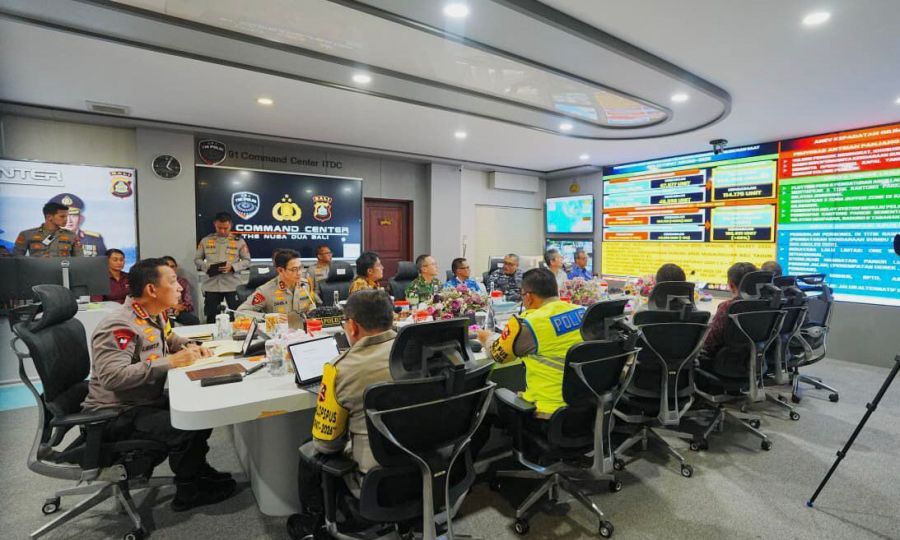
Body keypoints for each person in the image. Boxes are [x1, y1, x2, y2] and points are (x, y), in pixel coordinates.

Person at [81, 258, 237, 511]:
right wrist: (171, 362)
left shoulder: (153, 314)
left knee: (200, 411)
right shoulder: (120, 324)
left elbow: (169, 338)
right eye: (173, 281)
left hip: (142, 401)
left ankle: (198, 470)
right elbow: (113, 377)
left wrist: (190, 346)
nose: (180, 288)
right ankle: (188, 490)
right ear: (151, 290)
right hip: (115, 413)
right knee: (184, 426)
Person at [286, 290, 397, 539]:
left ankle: (314, 525)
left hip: (377, 483)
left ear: (353, 327)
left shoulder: (340, 369)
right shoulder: (418, 351)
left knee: (309, 448)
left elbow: (325, 445)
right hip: (432, 465)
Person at [477, 268, 585, 416]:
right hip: (585, 403)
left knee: (483, 402)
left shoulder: (527, 324)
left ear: (528, 296)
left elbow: (498, 355)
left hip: (548, 410)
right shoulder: (581, 312)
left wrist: (486, 337)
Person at [237, 249, 317, 328]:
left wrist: (313, 313)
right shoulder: (266, 290)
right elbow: (240, 312)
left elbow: (311, 306)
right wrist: (265, 317)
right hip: (279, 335)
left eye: (300, 268)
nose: (299, 273)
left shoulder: (305, 284)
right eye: (294, 269)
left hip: (303, 332)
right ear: (280, 270)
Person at [194, 212, 251, 323]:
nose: (222, 231)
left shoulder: (239, 241)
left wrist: (233, 267)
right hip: (212, 285)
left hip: (232, 284)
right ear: (215, 224)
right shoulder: (205, 241)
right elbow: (197, 260)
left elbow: (247, 261)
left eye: (226, 228)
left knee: (237, 315)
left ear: (231, 225)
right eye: (219, 228)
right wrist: (207, 267)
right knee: (211, 317)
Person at [701, 262, 758, 360]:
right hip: (758, 362)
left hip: (725, 365)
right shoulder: (765, 305)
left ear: (731, 285)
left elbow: (709, 343)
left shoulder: (727, 307)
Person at [13, 202, 83, 257]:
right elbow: (16, 257)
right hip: (36, 273)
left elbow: (80, 260)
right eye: (62, 216)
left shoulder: (72, 236)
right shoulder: (27, 234)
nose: (66, 219)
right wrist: (36, 260)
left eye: (66, 216)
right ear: (49, 217)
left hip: (62, 273)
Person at [162, 256, 200, 326]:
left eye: (172, 266)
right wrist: (173, 307)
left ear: (176, 268)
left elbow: (189, 304)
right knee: (168, 323)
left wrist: (180, 308)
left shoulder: (182, 282)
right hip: (163, 312)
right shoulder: (157, 283)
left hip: (179, 312)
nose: (170, 269)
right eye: (166, 266)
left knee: (194, 321)